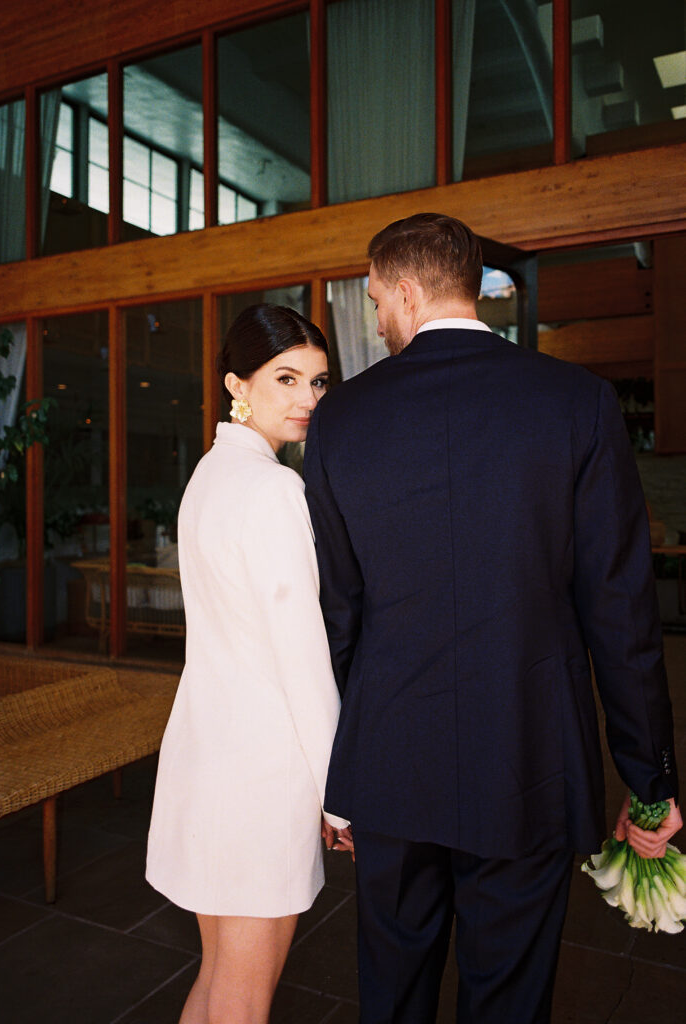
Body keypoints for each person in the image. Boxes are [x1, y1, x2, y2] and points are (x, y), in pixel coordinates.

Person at [302, 213, 681, 1024]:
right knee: (508, 999)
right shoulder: (578, 402)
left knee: (392, 993)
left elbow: (338, 612)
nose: (373, 319)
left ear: (406, 291)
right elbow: (621, 609)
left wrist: (340, 775)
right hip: (529, 757)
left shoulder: (339, 420)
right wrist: (649, 779)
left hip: (392, 761)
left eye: (374, 300)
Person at [146, 304, 351, 1024]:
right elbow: (301, 658)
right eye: (286, 378)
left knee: (217, 982)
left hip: (206, 759)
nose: (307, 399)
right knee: (243, 1000)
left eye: (319, 382)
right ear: (238, 383)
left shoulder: (207, 477)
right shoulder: (273, 489)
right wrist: (339, 789)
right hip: (259, 779)